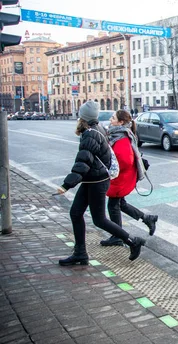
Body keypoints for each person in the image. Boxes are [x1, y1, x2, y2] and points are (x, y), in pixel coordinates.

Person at [55, 101, 146, 265]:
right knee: (76, 213)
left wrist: (66, 185)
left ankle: (132, 240)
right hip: (92, 179)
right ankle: (80, 253)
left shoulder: (91, 133)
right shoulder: (96, 130)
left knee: (99, 219)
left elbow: (83, 162)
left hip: (97, 181)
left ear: (82, 117)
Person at [100, 110, 158, 246]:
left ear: (120, 122)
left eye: (113, 118)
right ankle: (147, 218)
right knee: (120, 204)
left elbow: (125, 160)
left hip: (120, 177)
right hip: (120, 176)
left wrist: (111, 168)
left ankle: (117, 236)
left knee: (113, 205)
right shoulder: (118, 134)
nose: (110, 119)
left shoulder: (122, 137)